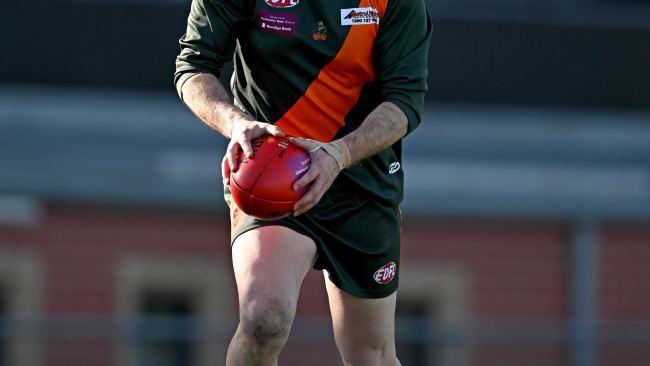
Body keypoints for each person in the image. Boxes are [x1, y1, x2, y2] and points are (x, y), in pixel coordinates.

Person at [175, 0, 432, 364]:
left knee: (371, 355)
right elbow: (193, 66)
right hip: (272, 177)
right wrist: (235, 124)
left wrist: (339, 154)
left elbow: (405, 100)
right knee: (264, 318)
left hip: (362, 182)